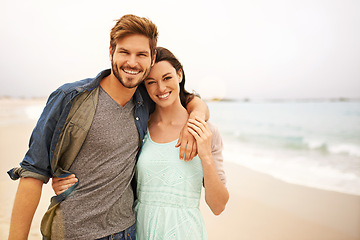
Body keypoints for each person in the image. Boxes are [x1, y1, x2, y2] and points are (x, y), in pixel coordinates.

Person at [7, 15, 209, 240]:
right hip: (72, 233)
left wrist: (195, 119)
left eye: (141, 54)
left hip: (126, 232)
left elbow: (187, 98)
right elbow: (33, 173)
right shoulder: (70, 98)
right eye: (124, 52)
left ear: (152, 58)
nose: (132, 62)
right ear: (111, 51)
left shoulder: (145, 101)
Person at [53, 47, 229, 239]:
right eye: (151, 82)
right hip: (139, 229)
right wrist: (67, 180)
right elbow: (110, 166)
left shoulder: (206, 130)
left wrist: (205, 156)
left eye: (167, 78)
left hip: (185, 231)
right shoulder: (140, 126)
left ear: (179, 74)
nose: (161, 88)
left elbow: (218, 206)